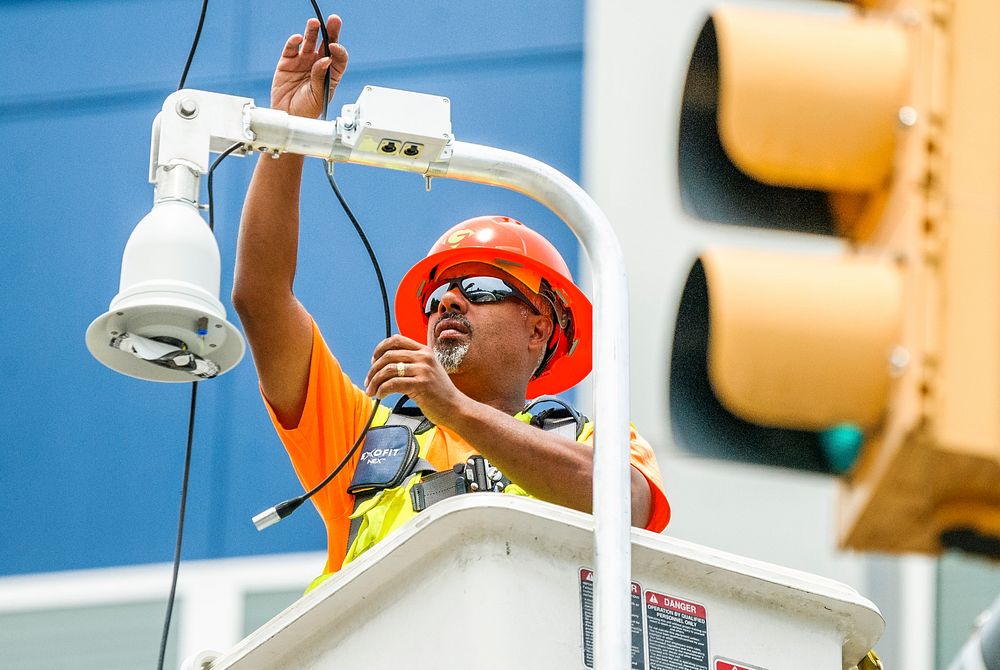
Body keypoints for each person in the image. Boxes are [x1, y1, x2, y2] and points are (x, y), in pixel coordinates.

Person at [232, 14, 670, 588]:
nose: (448, 303)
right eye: (439, 293)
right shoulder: (361, 441)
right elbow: (261, 299)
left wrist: (456, 410)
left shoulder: (590, 441)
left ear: (540, 328)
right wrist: (286, 137)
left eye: (481, 289)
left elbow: (624, 505)